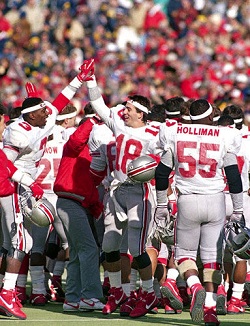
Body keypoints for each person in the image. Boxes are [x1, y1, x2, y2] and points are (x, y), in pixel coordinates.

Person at [0, 62, 88, 319]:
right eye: (40, 111)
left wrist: (79, 78)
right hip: (14, 186)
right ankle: (7, 294)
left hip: (24, 186)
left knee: (13, 243)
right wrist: (29, 183)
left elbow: (59, 102)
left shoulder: (41, 121)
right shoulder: (18, 132)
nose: (47, 114)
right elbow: (3, 164)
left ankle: (8, 290)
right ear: (29, 116)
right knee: (21, 242)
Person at [82, 58, 161, 318]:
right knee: (110, 245)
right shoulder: (119, 125)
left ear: (141, 113)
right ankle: (118, 291)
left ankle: (148, 293)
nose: (124, 111)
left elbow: (166, 164)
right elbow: (99, 106)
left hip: (140, 193)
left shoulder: (155, 135)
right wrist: (90, 80)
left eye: (129, 108)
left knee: (137, 250)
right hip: (117, 192)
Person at [154, 99, 243, 325]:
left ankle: (194, 287)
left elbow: (162, 173)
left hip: (188, 201)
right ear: (209, 115)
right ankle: (211, 309)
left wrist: (162, 204)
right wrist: (238, 208)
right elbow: (233, 176)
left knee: (184, 254)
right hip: (216, 201)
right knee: (212, 260)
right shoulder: (224, 134)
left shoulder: (173, 132)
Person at [53, 112, 105, 313]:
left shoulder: (91, 153)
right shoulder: (75, 147)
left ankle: (72, 298)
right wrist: (92, 121)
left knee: (76, 253)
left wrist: (95, 208)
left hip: (75, 204)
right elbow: (75, 140)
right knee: (89, 249)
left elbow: (88, 187)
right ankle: (90, 296)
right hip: (69, 202)